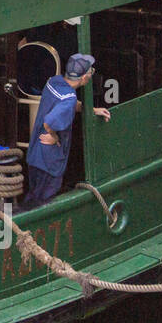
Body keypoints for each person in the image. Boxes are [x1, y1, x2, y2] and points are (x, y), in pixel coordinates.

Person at [22, 53, 111, 207]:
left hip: (36, 154)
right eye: (91, 72)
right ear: (83, 78)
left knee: (33, 196)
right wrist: (54, 136)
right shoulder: (68, 100)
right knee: (42, 203)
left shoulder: (54, 81)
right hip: (49, 161)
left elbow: (66, 102)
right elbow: (49, 122)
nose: (91, 75)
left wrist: (91, 109)